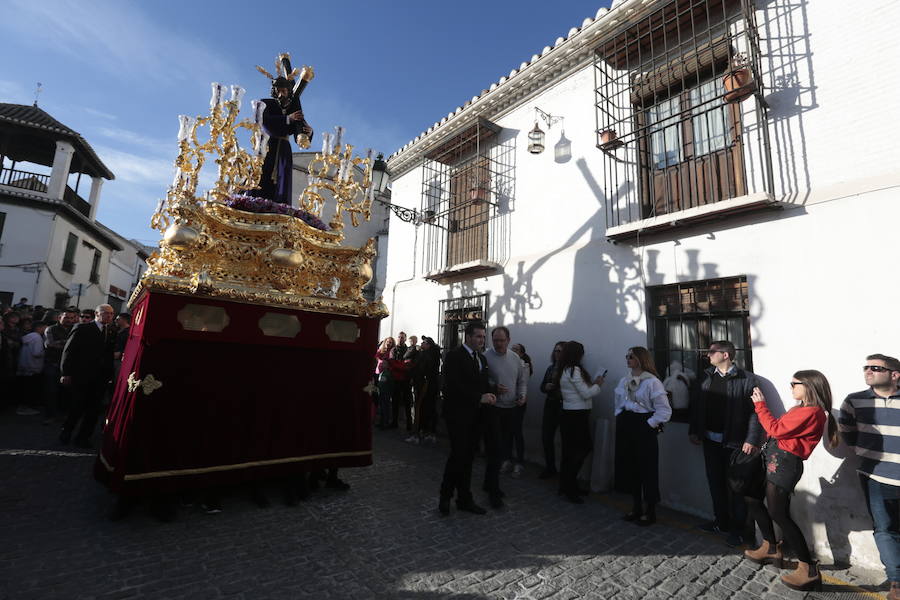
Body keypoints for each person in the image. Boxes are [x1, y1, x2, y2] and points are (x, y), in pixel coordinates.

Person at [745, 371, 838, 592]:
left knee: (779, 513)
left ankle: (808, 569)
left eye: (794, 383)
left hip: (785, 465)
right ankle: (770, 546)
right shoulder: (801, 409)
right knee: (752, 498)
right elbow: (778, 432)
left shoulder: (812, 412)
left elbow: (776, 429)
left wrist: (760, 405)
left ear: (808, 386)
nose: (791, 387)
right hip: (775, 460)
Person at [688, 340, 763, 546]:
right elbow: (697, 406)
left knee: (737, 488)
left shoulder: (747, 379)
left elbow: (756, 413)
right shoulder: (705, 377)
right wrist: (694, 430)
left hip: (735, 443)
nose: (708, 355)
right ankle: (721, 522)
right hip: (710, 440)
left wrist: (751, 439)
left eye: (712, 352)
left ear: (726, 355)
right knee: (715, 483)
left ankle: (739, 530)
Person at [839, 354, 900, 600]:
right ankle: (897, 581)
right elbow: (847, 432)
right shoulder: (854, 401)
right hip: (875, 476)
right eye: (866, 367)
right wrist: (868, 453)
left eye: (875, 368)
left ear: (895, 375)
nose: (868, 371)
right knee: (885, 529)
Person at [438, 322, 496, 516]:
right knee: (457, 456)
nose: (482, 340)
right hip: (458, 415)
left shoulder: (481, 358)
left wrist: (492, 392)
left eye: (483, 337)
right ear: (468, 336)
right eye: (478, 336)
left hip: (477, 416)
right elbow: (453, 386)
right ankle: (445, 497)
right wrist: (478, 397)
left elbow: (482, 383)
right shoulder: (454, 356)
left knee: (468, 457)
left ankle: (464, 498)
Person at [614, 346, 671, 525]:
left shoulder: (652, 382)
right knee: (631, 468)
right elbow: (618, 402)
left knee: (648, 469)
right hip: (628, 424)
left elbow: (664, 410)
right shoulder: (625, 380)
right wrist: (621, 416)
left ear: (641, 358)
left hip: (644, 425)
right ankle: (636, 507)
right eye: (627, 356)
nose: (628, 359)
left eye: (631, 356)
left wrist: (648, 424)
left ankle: (650, 510)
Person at [250, 76, 313, 205]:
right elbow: (264, 122)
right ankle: (255, 202)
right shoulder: (266, 103)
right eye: (278, 91)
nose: (281, 94)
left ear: (289, 91)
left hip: (284, 148)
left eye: (284, 91)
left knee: (282, 178)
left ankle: (280, 207)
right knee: (262, 174)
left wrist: (309, 132)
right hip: (267, 145)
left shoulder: (293, 108)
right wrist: (287, 119)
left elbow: (299, 130)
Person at [60, 304, 116, 448]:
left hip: (100, 378)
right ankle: (66, 432)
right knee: (77, 407)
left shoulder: (111, 331)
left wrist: (109, 374)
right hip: (82, 376)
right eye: (106, 313)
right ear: (97, 313)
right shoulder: (82, 328)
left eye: (111, 313)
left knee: (94, 410)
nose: (109, 316)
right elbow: (69, 351)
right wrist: (66, 373)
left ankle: (83, 438)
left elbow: (108, 355)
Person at [557, 341, 605, 503]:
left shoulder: (565, 369)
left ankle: (567, 485)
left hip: (569, 415)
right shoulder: (574, 370)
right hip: (576, 416)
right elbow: (585, 394)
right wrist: (598, 385)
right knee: (581, 450)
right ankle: (570, 487)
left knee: (570, 452)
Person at [485, 327, 528, 487]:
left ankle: (510, 461)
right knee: (496, 440)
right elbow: (481, 380)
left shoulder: (515, 358)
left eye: (502, 340)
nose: (498, 343)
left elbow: (521, 381)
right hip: (494, 406)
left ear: (508, 340)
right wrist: (493, 387)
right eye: (495, 340)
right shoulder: (486, 356)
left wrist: (522, 395)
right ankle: (499, 466)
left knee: (511, 435)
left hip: (512, 406)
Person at [42, 308, 77, 423]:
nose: (69, 320)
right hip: (53, 363)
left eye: (72, 318)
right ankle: (50, 415)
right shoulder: (51, 329)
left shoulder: (76, 329)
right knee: (51, 391)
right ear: (59, 317)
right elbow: (50, 344)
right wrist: (69, 344)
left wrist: (63, 343)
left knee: (66, 391)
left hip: (68, 366)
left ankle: (63, 414)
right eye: (66, 317)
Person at [539, 341, 566, 479]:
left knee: (565, 440)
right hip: (550, 405)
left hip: (563, 407)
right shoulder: (550, 368)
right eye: (555, 351)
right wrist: (546, 387)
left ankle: (564, 472)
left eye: (560, 351)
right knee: (546, 437)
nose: (557, 354)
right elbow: (542, 386)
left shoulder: (569, 369)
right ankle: (550, 468)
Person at [15, 320, 49, 416]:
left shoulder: (29, 336)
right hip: (33, 367)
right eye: (44, 328)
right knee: (29, 389)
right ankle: (24, 408)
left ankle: (22, 406)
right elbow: (37, 353)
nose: (45, 330)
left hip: (25, 366)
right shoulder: (37, 337)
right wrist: (47, 351)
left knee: (24, 388)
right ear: (39, 328)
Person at [509, 342, 533, 477]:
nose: (513, 351)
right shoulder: (508, 362)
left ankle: (519, 462)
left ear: (522, 353)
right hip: (508, 401)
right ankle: (507, 459)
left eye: (516, 349)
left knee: (517, 432)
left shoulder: (525, 365)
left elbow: (521, 383)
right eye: (512, 349)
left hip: (519, 401)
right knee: (507, 432)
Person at [411, 336, 440, 444]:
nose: (421, 344)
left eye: (424, 342)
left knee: (420, 408)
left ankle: (417, 433)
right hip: (431, 385)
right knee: (430, 408)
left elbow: (420, 369)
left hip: (424, 384)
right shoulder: (434, 355)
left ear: (428, 345)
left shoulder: (425, 355)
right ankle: (429, 432)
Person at [391, 331, 412, 430]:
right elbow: (392, 363)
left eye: (402, 337)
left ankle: (409, 423)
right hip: (396, 380)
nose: (400, 339)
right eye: (399, 337)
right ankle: (394, 422)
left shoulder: (408, 350)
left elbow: (409, 365)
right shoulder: (393, 350)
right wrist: (403, 365)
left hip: (406, 380)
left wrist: (401, 365)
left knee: (407, 402)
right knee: (395, 402)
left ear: (405, 339)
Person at [374, 337, 395, 429]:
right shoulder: (380, 350)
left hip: (386, 377)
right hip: (379, 375)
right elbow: (376, 356)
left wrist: (385, 363)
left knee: (385, 402)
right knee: (380, 401)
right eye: (387, 341)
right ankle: (381, 421)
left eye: (390, 342)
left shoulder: (392, 352)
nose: (388, 343)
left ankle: (385, 422)